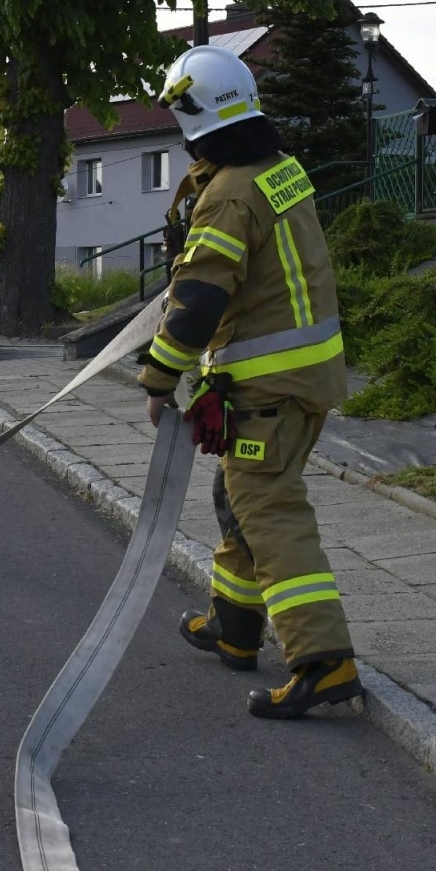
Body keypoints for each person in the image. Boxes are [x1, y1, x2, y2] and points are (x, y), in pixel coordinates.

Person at [138, 44, 355, 719]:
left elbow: (200, 298)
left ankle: (323, 661)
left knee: (270, 512)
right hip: (298, 378)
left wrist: (158, 377)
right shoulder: (277, 172)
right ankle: (233, 630)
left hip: (269, 387)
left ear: (194, 113)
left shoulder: (227, 196)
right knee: (239, 501)